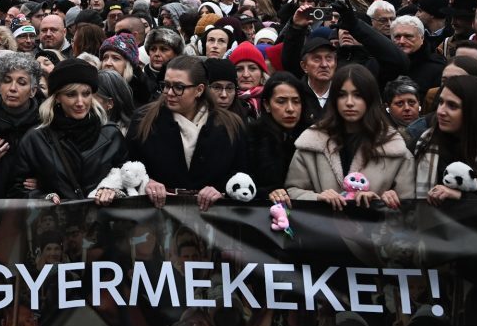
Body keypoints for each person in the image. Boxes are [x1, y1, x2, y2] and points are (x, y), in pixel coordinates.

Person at [285, 64, 415, 210]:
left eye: (358, 95)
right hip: (322, 230)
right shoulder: (312, 142)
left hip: (375, 231)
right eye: (342, 95)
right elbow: (292, 191)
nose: (349, 103)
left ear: (370, 98)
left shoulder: (394, 147)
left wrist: (379, 203)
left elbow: (409, 209)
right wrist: (318, 198)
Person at [129, 55, 248, 211]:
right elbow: (127, 164)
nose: (169, 93)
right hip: (158, 216)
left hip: (213, 219)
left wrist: (223, 191)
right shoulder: (143, 120)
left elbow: (243, 172)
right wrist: (147, 182)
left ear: (199, 90)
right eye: (166, 85)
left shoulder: (230, 124)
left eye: (179, 87)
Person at [10, 58, 127, 203]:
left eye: (86, 93)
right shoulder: (36, 139)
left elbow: (130, 179)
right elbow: (17, 191)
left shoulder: (111, 135)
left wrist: (112, 191)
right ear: (57, 97)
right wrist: (44, 197)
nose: (80, 102)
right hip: (56, 221)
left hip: (102, 221)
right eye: (71, 94)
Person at [414, 75, 477, 203]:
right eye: (441, 102)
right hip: (432, 221)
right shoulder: (425, 142)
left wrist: (460, 196)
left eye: (452, 106)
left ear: (474, 111)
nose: (441, 111)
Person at [0, 50, 43, 199]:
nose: (12, 88)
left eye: (21, 82)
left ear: (33, 91)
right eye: (7, 80)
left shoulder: (44, 127)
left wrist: (44, 181)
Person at [249, 73, 311, 207]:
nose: (290, 109)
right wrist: (267, 193)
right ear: (266, 105)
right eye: (281, 101)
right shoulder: (251, 135)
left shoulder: (312, 138)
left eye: (296, 101)